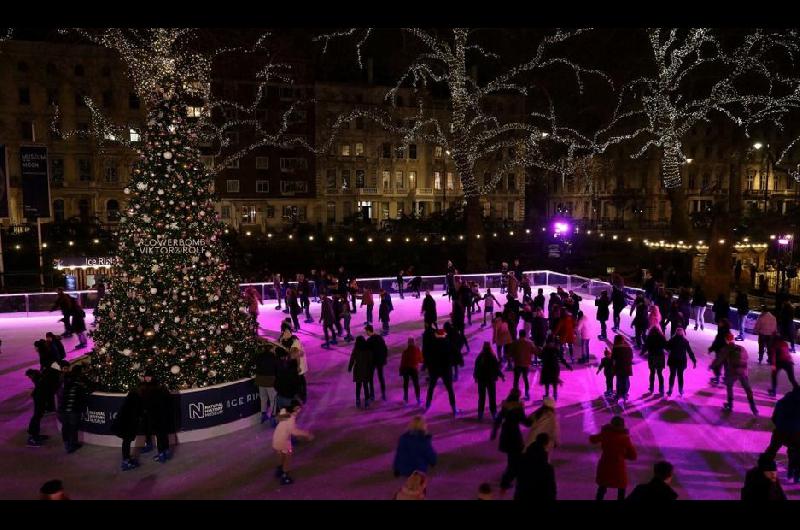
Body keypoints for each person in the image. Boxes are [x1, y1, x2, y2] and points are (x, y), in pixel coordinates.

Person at [491, 388, 533, 492]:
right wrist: (534, 419)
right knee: (516, 459)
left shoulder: (506, 406)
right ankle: (506, 481)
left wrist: (494, 432)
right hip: (514, 435)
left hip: (505, 434)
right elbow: (525, 422)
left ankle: (510, 478)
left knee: (512, 458)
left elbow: (498, 420)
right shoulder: (518, 407)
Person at [590, 416, 637, 501]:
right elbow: (633, 456)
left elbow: (592, 440)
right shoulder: (624, 438)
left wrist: (603, 431)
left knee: (602, 487)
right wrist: (623, 455)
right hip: (618, 466)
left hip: (605, 464)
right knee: (621, 489)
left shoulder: (605, 433)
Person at [710, 333, 758, 416]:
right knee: (747, 389)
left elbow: (719, 359)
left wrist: (712, 366)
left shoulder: (727, 348)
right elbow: (746, 358)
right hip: (743, 372)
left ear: (726, 340)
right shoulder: (742, 348)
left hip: (732, 371)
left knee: (729, 387)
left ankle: (730, 405)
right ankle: (754, 408)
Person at [272, 402, 314, 486]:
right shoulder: (291, 418)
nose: (299, 411)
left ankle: (279, 470)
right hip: (283, 441)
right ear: (294, 408)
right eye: (297, 409)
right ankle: (285, 476)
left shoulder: (284, 411)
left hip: (276, 438)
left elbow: (279, 418)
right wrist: (307, 434)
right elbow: (293, 431)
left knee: (281, 454)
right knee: (288, 457)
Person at [138, 369, 172, 463]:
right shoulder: (158, 387)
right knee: (162, 434)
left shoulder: (151, 388)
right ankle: (166, 452)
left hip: (157, 415)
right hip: (159, 415)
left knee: (160, 435)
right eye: (146, 377)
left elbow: (148, 402)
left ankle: (162, 454)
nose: (147, 378)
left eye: (149, 377)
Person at [424, 329, 458, 416]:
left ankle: (427, 405)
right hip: (446, 369)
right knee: (450, 389)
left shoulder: (432, 345)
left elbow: (427, 356)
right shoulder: (448, 344)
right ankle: (454, 409)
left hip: (434, 369)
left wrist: (426, 366)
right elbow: (455, 354)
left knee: (431, 387)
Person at [514, 433, 557, 501]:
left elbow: (519, 484)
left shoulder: (522, 462)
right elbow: (551, 489)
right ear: (546, 444)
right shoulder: (547, 468)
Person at [58, 364, 88, 453]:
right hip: (72, 410)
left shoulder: (65, 381)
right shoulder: (78, 384)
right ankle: (71, 445)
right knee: (73, 428)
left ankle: (68, 444)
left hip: (63, 409)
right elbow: (82, 396)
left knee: (66, 427)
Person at [764, 387, 800, 462]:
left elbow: (774, 418)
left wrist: (781, 426)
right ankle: (794, 467)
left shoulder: (781, 402)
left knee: (772, 450)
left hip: (780, 432)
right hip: (796, 434)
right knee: (795, 449)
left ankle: (764, 466)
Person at [474, 341, 505, 421]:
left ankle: (480, 414)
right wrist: (501, 376)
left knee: (481, 397)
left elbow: (476, 368)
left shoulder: (480, 356)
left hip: (481, 379)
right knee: (492, 397)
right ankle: (494, 413)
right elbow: (496, 368)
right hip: (490, 379)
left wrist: (476, 377)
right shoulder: (492, 356)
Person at [254, 340, 278, 426]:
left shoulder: (259, 356)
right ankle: (273, 417)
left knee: (263, 398)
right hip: (270, 381)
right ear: (271, 349)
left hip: (260, 380)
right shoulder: (273, 357)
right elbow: (276, 368)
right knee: (273, 400)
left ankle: (263, 415)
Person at [666, 328, 696, 397]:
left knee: (672, 375)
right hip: (681, 362)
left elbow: (667, 347)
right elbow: (690, 352)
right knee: (680, 376)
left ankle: (670, 390)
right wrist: (694, 360)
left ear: (676, 333)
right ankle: (681, 390)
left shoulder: (672, 340)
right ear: (683, 333)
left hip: (673, 361)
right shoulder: (685, 341)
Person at [25, 369, 49, 447]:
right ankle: (34, 435)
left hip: (40, 402)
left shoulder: (38, 380)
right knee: (37, 417)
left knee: (37, 417)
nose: (29, 378)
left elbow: (39, 391)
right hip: (40, 402)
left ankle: (34, 435)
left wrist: (32, 393)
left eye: (29, 376)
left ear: (32, 374)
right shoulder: (39, 379)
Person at [509, 329, 536, 400]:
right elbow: (534, 351)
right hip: (526, 364)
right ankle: (527, 394)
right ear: (525, 334)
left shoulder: (515, 342)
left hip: (517, 363)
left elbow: (510, 353)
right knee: (525, 378)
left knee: (516, 380)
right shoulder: (530, 342)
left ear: (519, 334)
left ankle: (515, 394)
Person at [348, 336, 374, 409]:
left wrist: (350, 367)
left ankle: (358, 400)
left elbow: (352, 359)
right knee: (366, 386)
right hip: (366, 370)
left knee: (358, 386)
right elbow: (370, 360)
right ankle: (366, 401)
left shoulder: (356, 349)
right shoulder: (367, 349)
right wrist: (371, 369)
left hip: (358, 370)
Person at [642, 325, 667, 395]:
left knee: (652, 372)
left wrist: (642, 353)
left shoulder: (649, 337)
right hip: (660, 356)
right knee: (660, 373)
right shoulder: (662, 337)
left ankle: (651, 388)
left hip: (652, 356)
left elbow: (645, 346)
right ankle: (661, 389)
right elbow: (666, 346)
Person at [366, 325, 388, 401]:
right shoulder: (379, 338)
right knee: (381, 377)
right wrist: (384, 358)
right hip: (380, 361)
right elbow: (385, 349)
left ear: (369, 331)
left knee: (370, 378)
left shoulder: (369, 341)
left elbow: (367, 352)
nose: (366, 333)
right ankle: (384, 394)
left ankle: (372, 395)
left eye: (366, 331)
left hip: (373, 362)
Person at [400, 338, 423, 406]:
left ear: (408, 343)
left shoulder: (405, 351)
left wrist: (401, 370)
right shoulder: (417, 350)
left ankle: (406, 399)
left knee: (405, 384)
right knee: (416, 384)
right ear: (414, 342)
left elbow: (402, 362)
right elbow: (421, 360)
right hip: (414, 369)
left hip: (406, 369)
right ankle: (418, 400)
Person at [612, 335, 634, 402]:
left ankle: (618, 394)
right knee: (626, 380)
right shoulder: (629, 348)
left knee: (619, 380)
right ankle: (625, 393)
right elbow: (631, 357)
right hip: (627, 367)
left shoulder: (615, 348)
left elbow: (613, 358)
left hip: (619, 367)